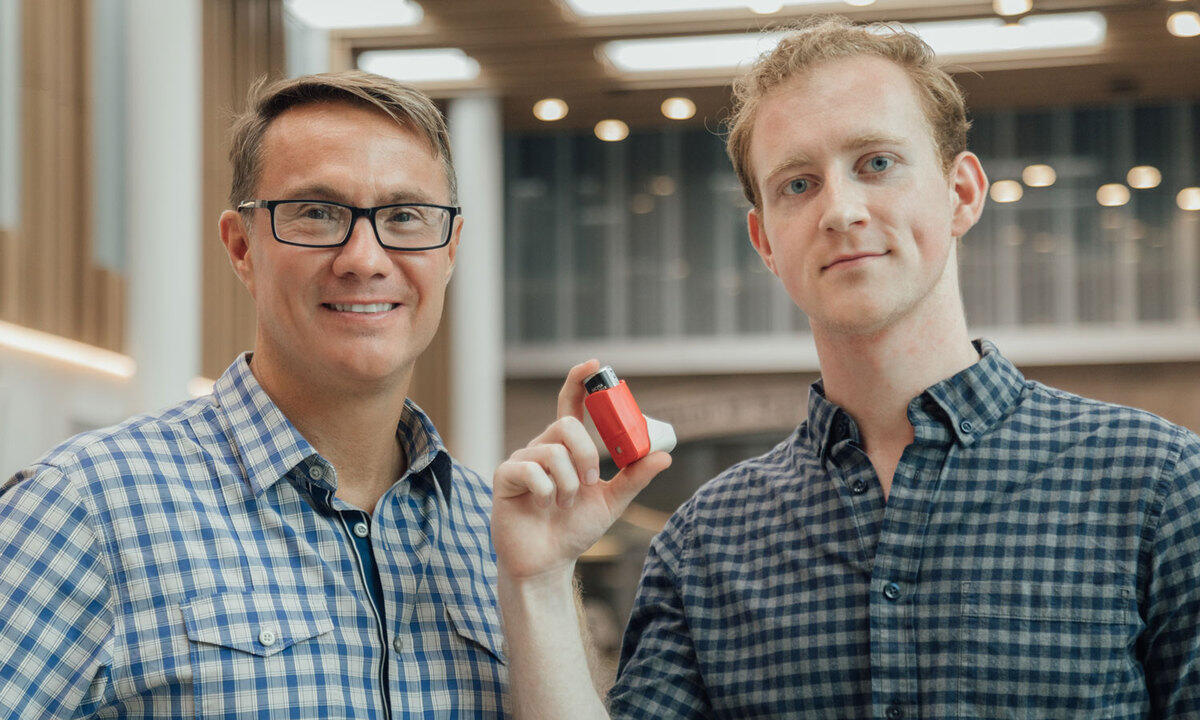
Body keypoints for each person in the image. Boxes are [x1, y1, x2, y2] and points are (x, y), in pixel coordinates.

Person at [492, 17, 1200, 719]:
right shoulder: (706, 544)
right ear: (764, 239)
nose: (841, 209)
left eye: (877, 163)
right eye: (798, 184)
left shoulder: (1158, 486)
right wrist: (541, 579)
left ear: (962, 193)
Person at [0, 71, 508, 718]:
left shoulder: (494, 536)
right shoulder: (86, 507)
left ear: (451, 250)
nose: (364, 258)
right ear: (242, 247)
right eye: (318, 213)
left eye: (405, 216)